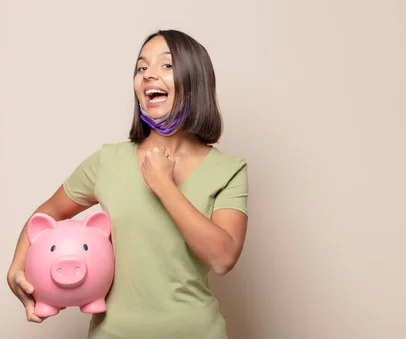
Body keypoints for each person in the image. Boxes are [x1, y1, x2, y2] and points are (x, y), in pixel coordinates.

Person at [6, 29, 249, 339]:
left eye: (166, 65)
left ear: (195, 80)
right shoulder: (108, 161)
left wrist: (163, 185)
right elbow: (46, 215)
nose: (149, 75)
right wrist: (16, 269)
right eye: (141, 68)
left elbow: (223, 257)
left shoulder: (228, 170)